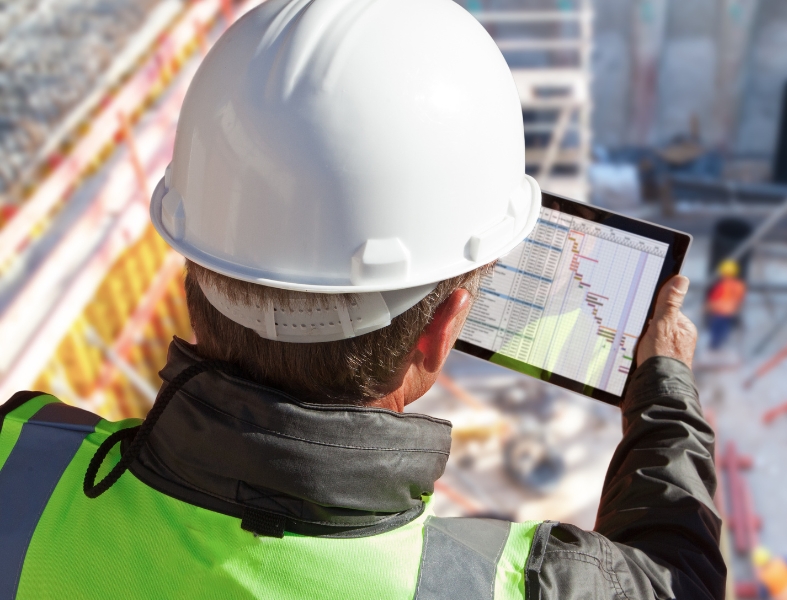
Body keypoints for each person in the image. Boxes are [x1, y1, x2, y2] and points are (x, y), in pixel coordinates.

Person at [0, 1, 724, 597]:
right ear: (438, 332)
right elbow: (677, 581)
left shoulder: (19, 461)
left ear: (195, 265)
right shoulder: (500, 584)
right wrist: (664, 396)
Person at [706, 259, 746, 350]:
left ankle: (714, 349)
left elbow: (714, 298)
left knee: (716, 332)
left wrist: (707, 307)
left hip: (719, 312)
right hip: (730, 313)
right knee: (724, 332)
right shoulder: (739, 285)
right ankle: (719, 348)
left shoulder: (722, 285)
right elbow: (740, 300)